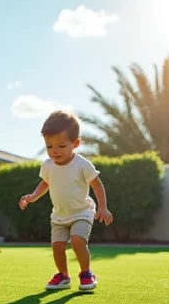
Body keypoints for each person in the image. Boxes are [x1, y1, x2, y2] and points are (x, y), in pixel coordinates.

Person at [19, 111, 113, 291]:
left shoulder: (82, 164)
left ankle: (86, 273)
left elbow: (97, 185)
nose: (55, 150)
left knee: (78, 241)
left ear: (75, 143)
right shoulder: (47, 165)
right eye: (49, 146)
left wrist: (103, 207)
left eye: (61, 145)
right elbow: (45, 182)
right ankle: (63, 276)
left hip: (82, 212)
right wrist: (33, 196)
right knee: (57, 246)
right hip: (59, 216)